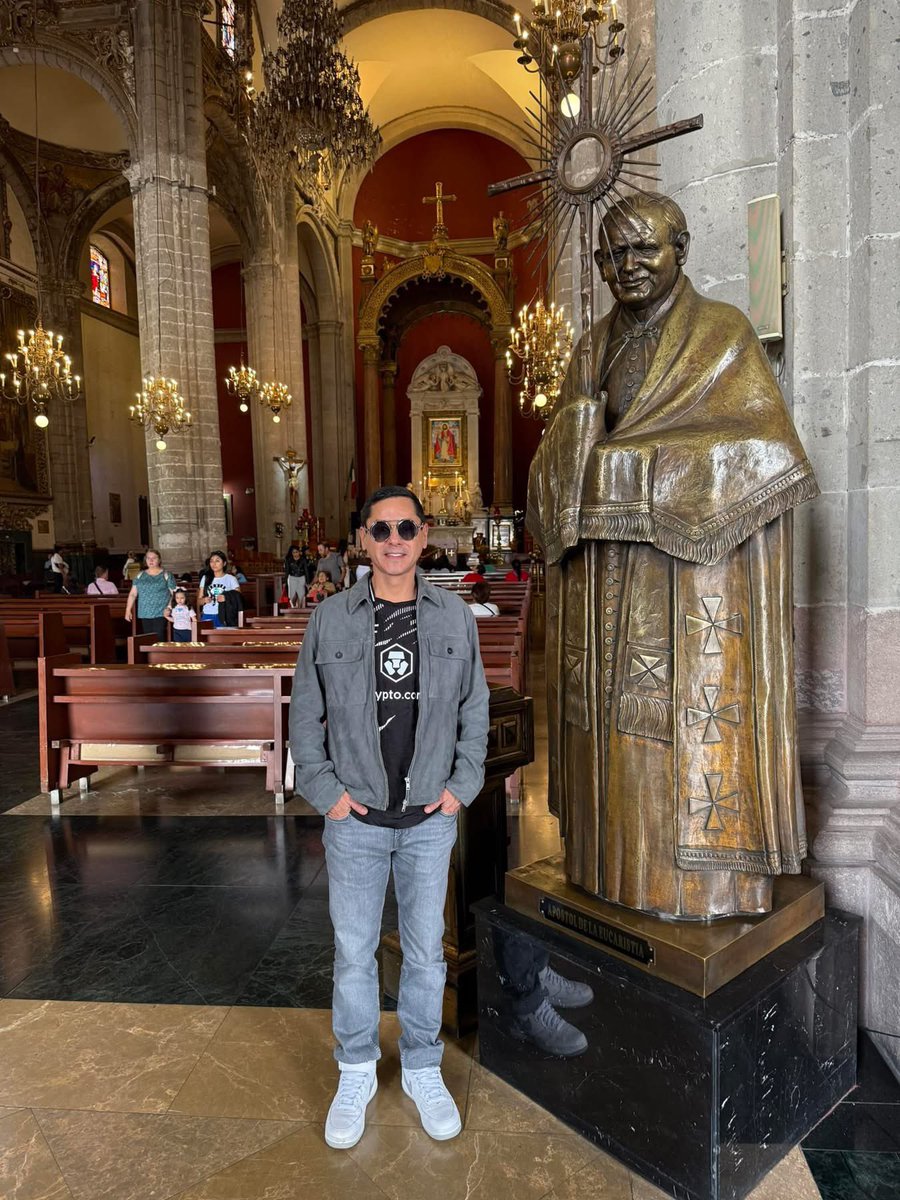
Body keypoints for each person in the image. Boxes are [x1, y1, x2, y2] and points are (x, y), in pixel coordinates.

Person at [527, 192, 818, 919]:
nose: (626, 266)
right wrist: (578, 443)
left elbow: (766, 450)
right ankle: (602, 874)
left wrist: (626, 463)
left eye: (643, 249)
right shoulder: (591, 348)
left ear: (679, 248)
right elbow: (554, 463)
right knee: (609, 745)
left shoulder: (721, 333)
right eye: (612, 255)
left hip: (687, 583)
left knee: (672, 739)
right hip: (599, 584)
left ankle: (699, 890)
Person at [290, 485, 489, 1151]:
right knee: (353, 951)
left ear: (424, 534)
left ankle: (423, 1066)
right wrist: (326, 793)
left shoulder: (455, 617)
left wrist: (462, 784)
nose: (395, 539)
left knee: (427, 950)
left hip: (429, 817)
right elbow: (304, 713)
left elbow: (476, 707)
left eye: (406, 527)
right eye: (382, 530)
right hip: (357, 819)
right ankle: (355, 1070)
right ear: (362, 539)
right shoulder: (332, 618)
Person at [124, 549, 175, 639]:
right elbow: (133, 594)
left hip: (161, 611)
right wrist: (128, 610)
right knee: (148, 638)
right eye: (148, 558)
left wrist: (169, 607)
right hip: (145, 612)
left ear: (159, 560)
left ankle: (160, 653)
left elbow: (174, 593)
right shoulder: (139, 575)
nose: (151, 560)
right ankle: (150, 653)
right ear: (145, 560)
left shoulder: (166, 575)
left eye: (154, 558)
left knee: (159, 636)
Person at [198, 551, 240, 628]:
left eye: (217, 561)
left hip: (225, 615)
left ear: (224, 563)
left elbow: (238, 597)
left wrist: (226, 597)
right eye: (211, 561)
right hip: (208, 614)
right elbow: (199, 601)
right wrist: (204, 600)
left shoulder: (231, 579)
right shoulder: (205, 578)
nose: (214, 564)